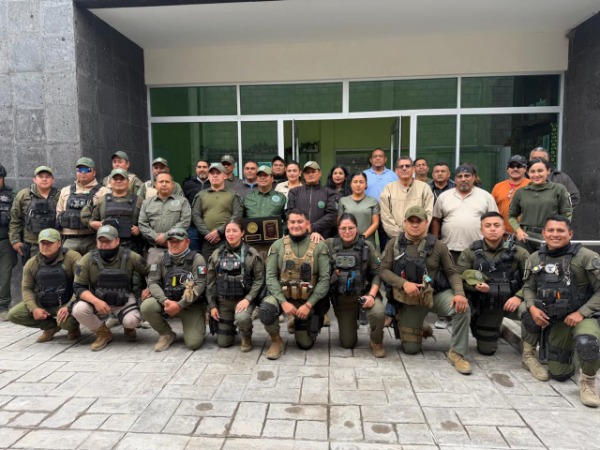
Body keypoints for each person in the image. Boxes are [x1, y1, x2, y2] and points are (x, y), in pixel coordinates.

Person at [379, 206, 472, 374]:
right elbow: (383, 270)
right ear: (405, 223)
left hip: (434, 295)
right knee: (410, 349)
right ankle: (417, 324)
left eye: (419, 221)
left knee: (462, 308)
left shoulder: (438, 245)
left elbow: (452, 272)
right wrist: (403, 283)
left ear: (426, 223)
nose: (415, 225)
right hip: (409, 300)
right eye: (411, 221)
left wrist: (459, 294)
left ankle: (457, 354)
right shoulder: (394, 243)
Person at [520, 215, 600, 407]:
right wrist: (532, 306)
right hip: (554, 318)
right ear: (543, 233)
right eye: (551, 230)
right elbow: (528, 287)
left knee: (588, 342)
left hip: (582, 316)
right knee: (560, 373)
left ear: (570, 234)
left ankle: (588, 382)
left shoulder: (587, 257)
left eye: (560, 230)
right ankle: (528, 356)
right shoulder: (535, 258)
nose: (555, 234)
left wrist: (582, 312)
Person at [258, 209, 331, 359]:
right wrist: (283, 302)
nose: (296, 225)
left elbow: (325, 279)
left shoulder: (320, 246)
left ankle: (300, 323)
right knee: (266, 309)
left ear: (307, 224)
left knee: (305, 344)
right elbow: (270, 277)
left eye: (300, 221)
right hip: (283, 297)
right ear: (287, 224)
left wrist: (309, 305)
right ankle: (276, 341)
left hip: (307, 300)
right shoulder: (277, 246)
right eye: (292, 222)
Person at [456, 212, 529, 355]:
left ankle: (529, 352)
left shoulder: (519, 253)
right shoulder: (470, 252)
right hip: (485, 304)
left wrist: (519, 297)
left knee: (530, 312)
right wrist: (474, 287)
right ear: (481, 230)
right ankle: (488, 325)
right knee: (487, 350)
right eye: (488, 226)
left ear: (504, 229)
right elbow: (459, 278)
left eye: (497, 225)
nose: (493, 229)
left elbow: (533, 279)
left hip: (511, 302)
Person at [71, 225, 150, 351]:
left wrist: (149, 286)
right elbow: (78, 286)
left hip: (123, 298)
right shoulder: (87, 259)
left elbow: (151, 271)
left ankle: (128, 327)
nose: (104, 245)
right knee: (78, 310)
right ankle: (102, 332)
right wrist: (95, 301)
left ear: (117, 240)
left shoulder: (130, 256)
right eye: (101, 241)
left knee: (132, 321)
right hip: (97, 298)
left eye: (107, 241)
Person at [326, 214, 386, 356]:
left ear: (357, 228)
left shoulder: (367, 245)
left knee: (378, 313)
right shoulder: (329, 244)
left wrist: (372, 296)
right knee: (348, 343)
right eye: (343, 228)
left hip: (364, 294)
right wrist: (314, 234)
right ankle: (352, 321)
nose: (347, 231)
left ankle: (376, 341)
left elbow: (378, 272)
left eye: (351, 228)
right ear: (338, 229)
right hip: (343, 300)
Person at [7, 229, 81, 341]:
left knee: (66, 322)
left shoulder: (72, 257)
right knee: (14, 314)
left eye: (49, 243)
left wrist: (69, 306)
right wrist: (34, 309)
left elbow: (81, 284)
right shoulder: (32, 263)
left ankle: (73, 327)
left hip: (66, 301)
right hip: (44, 300)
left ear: (59, 243)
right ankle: (50, 327)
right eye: (42, 243)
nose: (45, 247)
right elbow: (27, 289)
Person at [141, 227, 207, 352]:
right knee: (147, 306)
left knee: (193, 343)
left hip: (190, 305)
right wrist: (165, 300)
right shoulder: (160, 258)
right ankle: (166, 333)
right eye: (171, 241)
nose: (174, 244)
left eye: (178, 241)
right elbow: (152, 282)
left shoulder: (197, 258)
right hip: (167, 301)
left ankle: (198, 322)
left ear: (187, 242)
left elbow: (200, 285)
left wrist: (179, 305)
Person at [207, 220, 265, 351]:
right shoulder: (217, 254)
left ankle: (246, 335)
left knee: (242, 318)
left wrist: (248, 299)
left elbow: (259, 280)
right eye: (228, 231)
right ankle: (231, 326)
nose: (231, 234)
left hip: (243, 300)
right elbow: (210, 282)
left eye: (234, 231)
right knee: (223, 343)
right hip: (223, 301)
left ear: (242, 233)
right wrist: (212, 306)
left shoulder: (251, 254)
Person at [431, 164, 498, 262]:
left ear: (474, 177)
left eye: (467, 176)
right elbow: (436, 220)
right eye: (460, 176)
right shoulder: (444, 197)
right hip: (449, 249)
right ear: (455, 179)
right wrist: (435, 242)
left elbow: (495, 221)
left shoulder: (486, 196)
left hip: (478, 249)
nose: (463, 179)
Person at [508, 158, 572, 253]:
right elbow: (511, 216)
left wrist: (559, 232)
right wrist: (518, 230)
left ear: (548, 171)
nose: (536, 174)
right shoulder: (521, 192)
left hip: (549, 236)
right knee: (524, 261)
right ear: (527, 173)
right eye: (532, 171)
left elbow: (567, 213)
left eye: (540, 171)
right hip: (525, 238)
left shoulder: (558, 189)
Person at [56, 157, 110, 255]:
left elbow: (107, 217)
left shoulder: (104, 192)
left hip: (92, 238)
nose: (83, 172)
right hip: (69, 239)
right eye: (80, 170)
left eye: (87, 169)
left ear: (94, 172)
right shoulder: (65, 190)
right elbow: (59, 213)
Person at [192, 163, 244, 263]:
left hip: (227, 239)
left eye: (218, 173)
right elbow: (195, 215)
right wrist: (207, 234)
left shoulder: (233, 195)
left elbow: (237, 215)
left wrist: (219, 231)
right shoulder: (201, 195)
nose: (215, 176)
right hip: (207, 240)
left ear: (224, 176)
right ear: (208, 176)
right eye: (212, 173)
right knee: (208, 267)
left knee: (228, 267)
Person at [84, 168, 144, 252]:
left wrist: (139, 229)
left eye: (122, 179)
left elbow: (147, 222)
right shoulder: (102, 200)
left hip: (132, 247)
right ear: (110, 182)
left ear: (128, 182)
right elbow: (92, 220)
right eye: (115, 179)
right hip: (106, 247)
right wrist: (92, 224)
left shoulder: (139, 201)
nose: (118, 181)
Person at [138, 172, 192, 264]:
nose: (164, 184)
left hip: (178, 248)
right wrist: (156, 237)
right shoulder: (146, 203)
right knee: (153, 273)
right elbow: (142, 224)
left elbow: (185, 221)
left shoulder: (182, 201)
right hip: (155, 249)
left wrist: (166, 236)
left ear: (173, 185)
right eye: (161, 181)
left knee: (179, 272)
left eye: (167, 182)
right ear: (155, 185)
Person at [9, 166, 59, 265]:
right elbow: (15, 220)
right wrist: (15, 241)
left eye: (47, 177)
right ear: (34, 179)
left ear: (53, 180)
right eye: (41, 176)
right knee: (32, 272)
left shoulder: (60, 195)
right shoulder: (23, 195)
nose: (44, 179)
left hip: (54, 244)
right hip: (31, 245)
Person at [380, 156, 433, 239]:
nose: (404, 168)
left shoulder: (424, 188)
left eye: (407, 166)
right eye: (401, 166)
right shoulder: (388, 189)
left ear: (413, 169)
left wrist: (416, 233)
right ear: (396, 171)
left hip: (418, 237)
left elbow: (428, 214)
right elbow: (385, 216)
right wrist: (400, 236)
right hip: (395, 238)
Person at [287, 161, 339, 242]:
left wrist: (312, 227)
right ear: (303, 175)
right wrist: (304, 228)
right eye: (307, 172)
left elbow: (332, 216)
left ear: (320, 173)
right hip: (299, 238)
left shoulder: (330, 193)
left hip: (322, 238)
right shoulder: (294, 192)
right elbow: (290, 214)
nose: (310, 174)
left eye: (313, 171)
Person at [243, 165, 286, 257]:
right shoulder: (248, 197)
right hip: (252, 245)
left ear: (272, 178)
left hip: (274, 244)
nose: (262, 178)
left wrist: (282, 232)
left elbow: (286, 219)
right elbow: (241, 218)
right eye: (260, 176)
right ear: (256, 179)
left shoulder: (281, 197)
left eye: (266, 175)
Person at [364, 148, 398, 252]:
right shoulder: (364, 175)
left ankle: (385, 259)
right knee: (367, 241)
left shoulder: (393, 175)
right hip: (368, 212)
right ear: (371, 160)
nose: (378, 158)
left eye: (380, 156)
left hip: (387, 212)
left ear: (385, 159)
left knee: (386, 242)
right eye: (375, 156)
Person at [338, 171, 380, 247]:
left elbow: (375, 223)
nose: (358, 185)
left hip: (367, 242)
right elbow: (339, 223)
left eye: (361, 182)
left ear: (366, 184)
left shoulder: (373, 201)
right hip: (347, 241)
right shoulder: (343, 201)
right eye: (355, 182)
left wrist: (362, 237)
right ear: (350, 184)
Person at [491, 155, 531, 233]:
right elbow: (491, 210)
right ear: (507, 169)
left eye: (519, 166)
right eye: (512, 166)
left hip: (525, 234)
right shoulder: (498, 187)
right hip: (502, 234)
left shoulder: (531, 185)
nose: (515, 169)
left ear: (525, 169)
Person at [183, 159, 211, 252]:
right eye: (199, 167)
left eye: (204, 167)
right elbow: (184, 204)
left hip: (209, 226)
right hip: (193, 226)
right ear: (196, 169)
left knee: (208, 253)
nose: (202, 169)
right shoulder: (188, 184)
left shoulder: (214, 183)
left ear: (209, 169)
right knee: (194, 254)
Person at [0, 164, 15, 319]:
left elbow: (17, 218)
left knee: (5, 276)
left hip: (5, 242)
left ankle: (3, 307)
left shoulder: (12, 195)